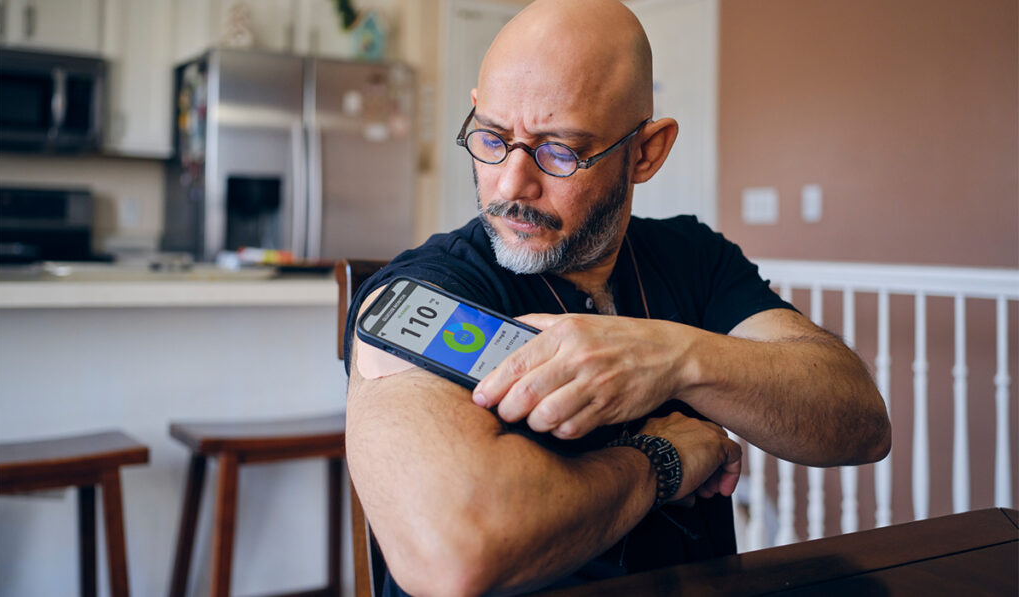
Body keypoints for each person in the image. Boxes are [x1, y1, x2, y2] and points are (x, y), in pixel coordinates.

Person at [344, 0, 891, 595]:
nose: (510, 183)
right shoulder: (424, 291)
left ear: (645, 153)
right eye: (492, 138)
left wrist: (675, 357)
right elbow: (455, 555)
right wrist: (660, 462)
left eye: (560, 151)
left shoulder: (694, 258)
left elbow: (861, 424)